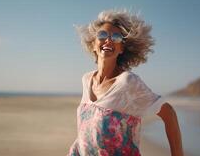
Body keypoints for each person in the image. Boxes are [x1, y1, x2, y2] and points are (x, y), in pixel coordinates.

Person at [68, 10, 183, 156]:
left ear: (122, 48)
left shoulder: (127, 82)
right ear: (93, 44)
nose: (109, 40)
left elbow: (169, 114)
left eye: (116, 37)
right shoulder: (86, 79)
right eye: (102, 35)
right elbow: (86, 132)